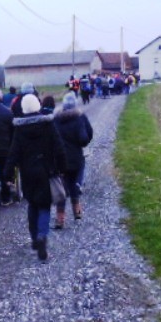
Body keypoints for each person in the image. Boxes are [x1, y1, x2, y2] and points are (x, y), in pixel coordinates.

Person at [3, 95, 66, 261]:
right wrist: (62, 168)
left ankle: (34, 238)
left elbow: (13, 153)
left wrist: (8, 174)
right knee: (44, 205)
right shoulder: (48, 124)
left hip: (28, 173)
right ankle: (42, 235)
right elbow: (59, 148)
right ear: (38, 105)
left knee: (32, 205)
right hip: (47, 171)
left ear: (24, 108)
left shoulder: (19, 129)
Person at [52, 93, 93, 228]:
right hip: (76, 157)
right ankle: (77, 211)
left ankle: (60, 219)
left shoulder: (56, 119)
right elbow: (85, 137)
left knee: (62, 188)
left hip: (59, 159)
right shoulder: (80, 118)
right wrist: (82, 143)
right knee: (74, 183)